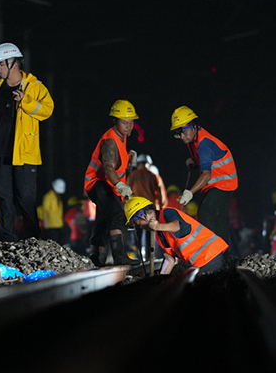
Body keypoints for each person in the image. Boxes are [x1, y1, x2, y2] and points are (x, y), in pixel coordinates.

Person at [0, 42, 54, 242]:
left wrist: (26, 101)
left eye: (0, 64)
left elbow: (48, 110)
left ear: (13, 63)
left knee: (26, 199)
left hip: (25, 154)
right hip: (1, 154)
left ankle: (32, 239)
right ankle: (8, 239)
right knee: (4, 199)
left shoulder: (35, 87)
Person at [170, 106, 238, 253]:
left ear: (193, 126)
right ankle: (224, 256)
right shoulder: (194, 139)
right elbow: (208, 163)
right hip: (219, 183)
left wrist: (189, 193)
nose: (182, 136)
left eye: (183, 132)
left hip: (223, 183)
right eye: (178, 134)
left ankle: (213, 253)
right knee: (217, 219)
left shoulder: (203, 145)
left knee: (206, 212)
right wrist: (195, 162)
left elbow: (206, 175)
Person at [83, 99, 139, 266]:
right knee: (116, 215)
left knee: (103, 218)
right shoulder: (110, 140)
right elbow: (108, 167)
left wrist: (128, 155)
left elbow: (117, 160)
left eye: (131, 122)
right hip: (99, 184)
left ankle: (96, 256)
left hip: (105, 184)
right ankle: (119, 256)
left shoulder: (120, 137)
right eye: (124, 122)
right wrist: (120, 185)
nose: (128, 126)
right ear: (115, 121)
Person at [124, 196, 228, 275]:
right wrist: (160, 279)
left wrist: (157, 226)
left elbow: (177, 226)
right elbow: (170, 259)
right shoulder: (159, 234)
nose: (140, 227)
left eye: (137, 223)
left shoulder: (167, 212)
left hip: (210, 255)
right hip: (202, 260)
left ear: (143, 215)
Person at [41, 178, 67, 246]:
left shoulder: (58, 197)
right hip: (51, 225)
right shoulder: (49, 196)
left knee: (59, 243)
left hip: (58, 224)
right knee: (52, 243)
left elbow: (59, 212)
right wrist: (45, 222)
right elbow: (45, 210)